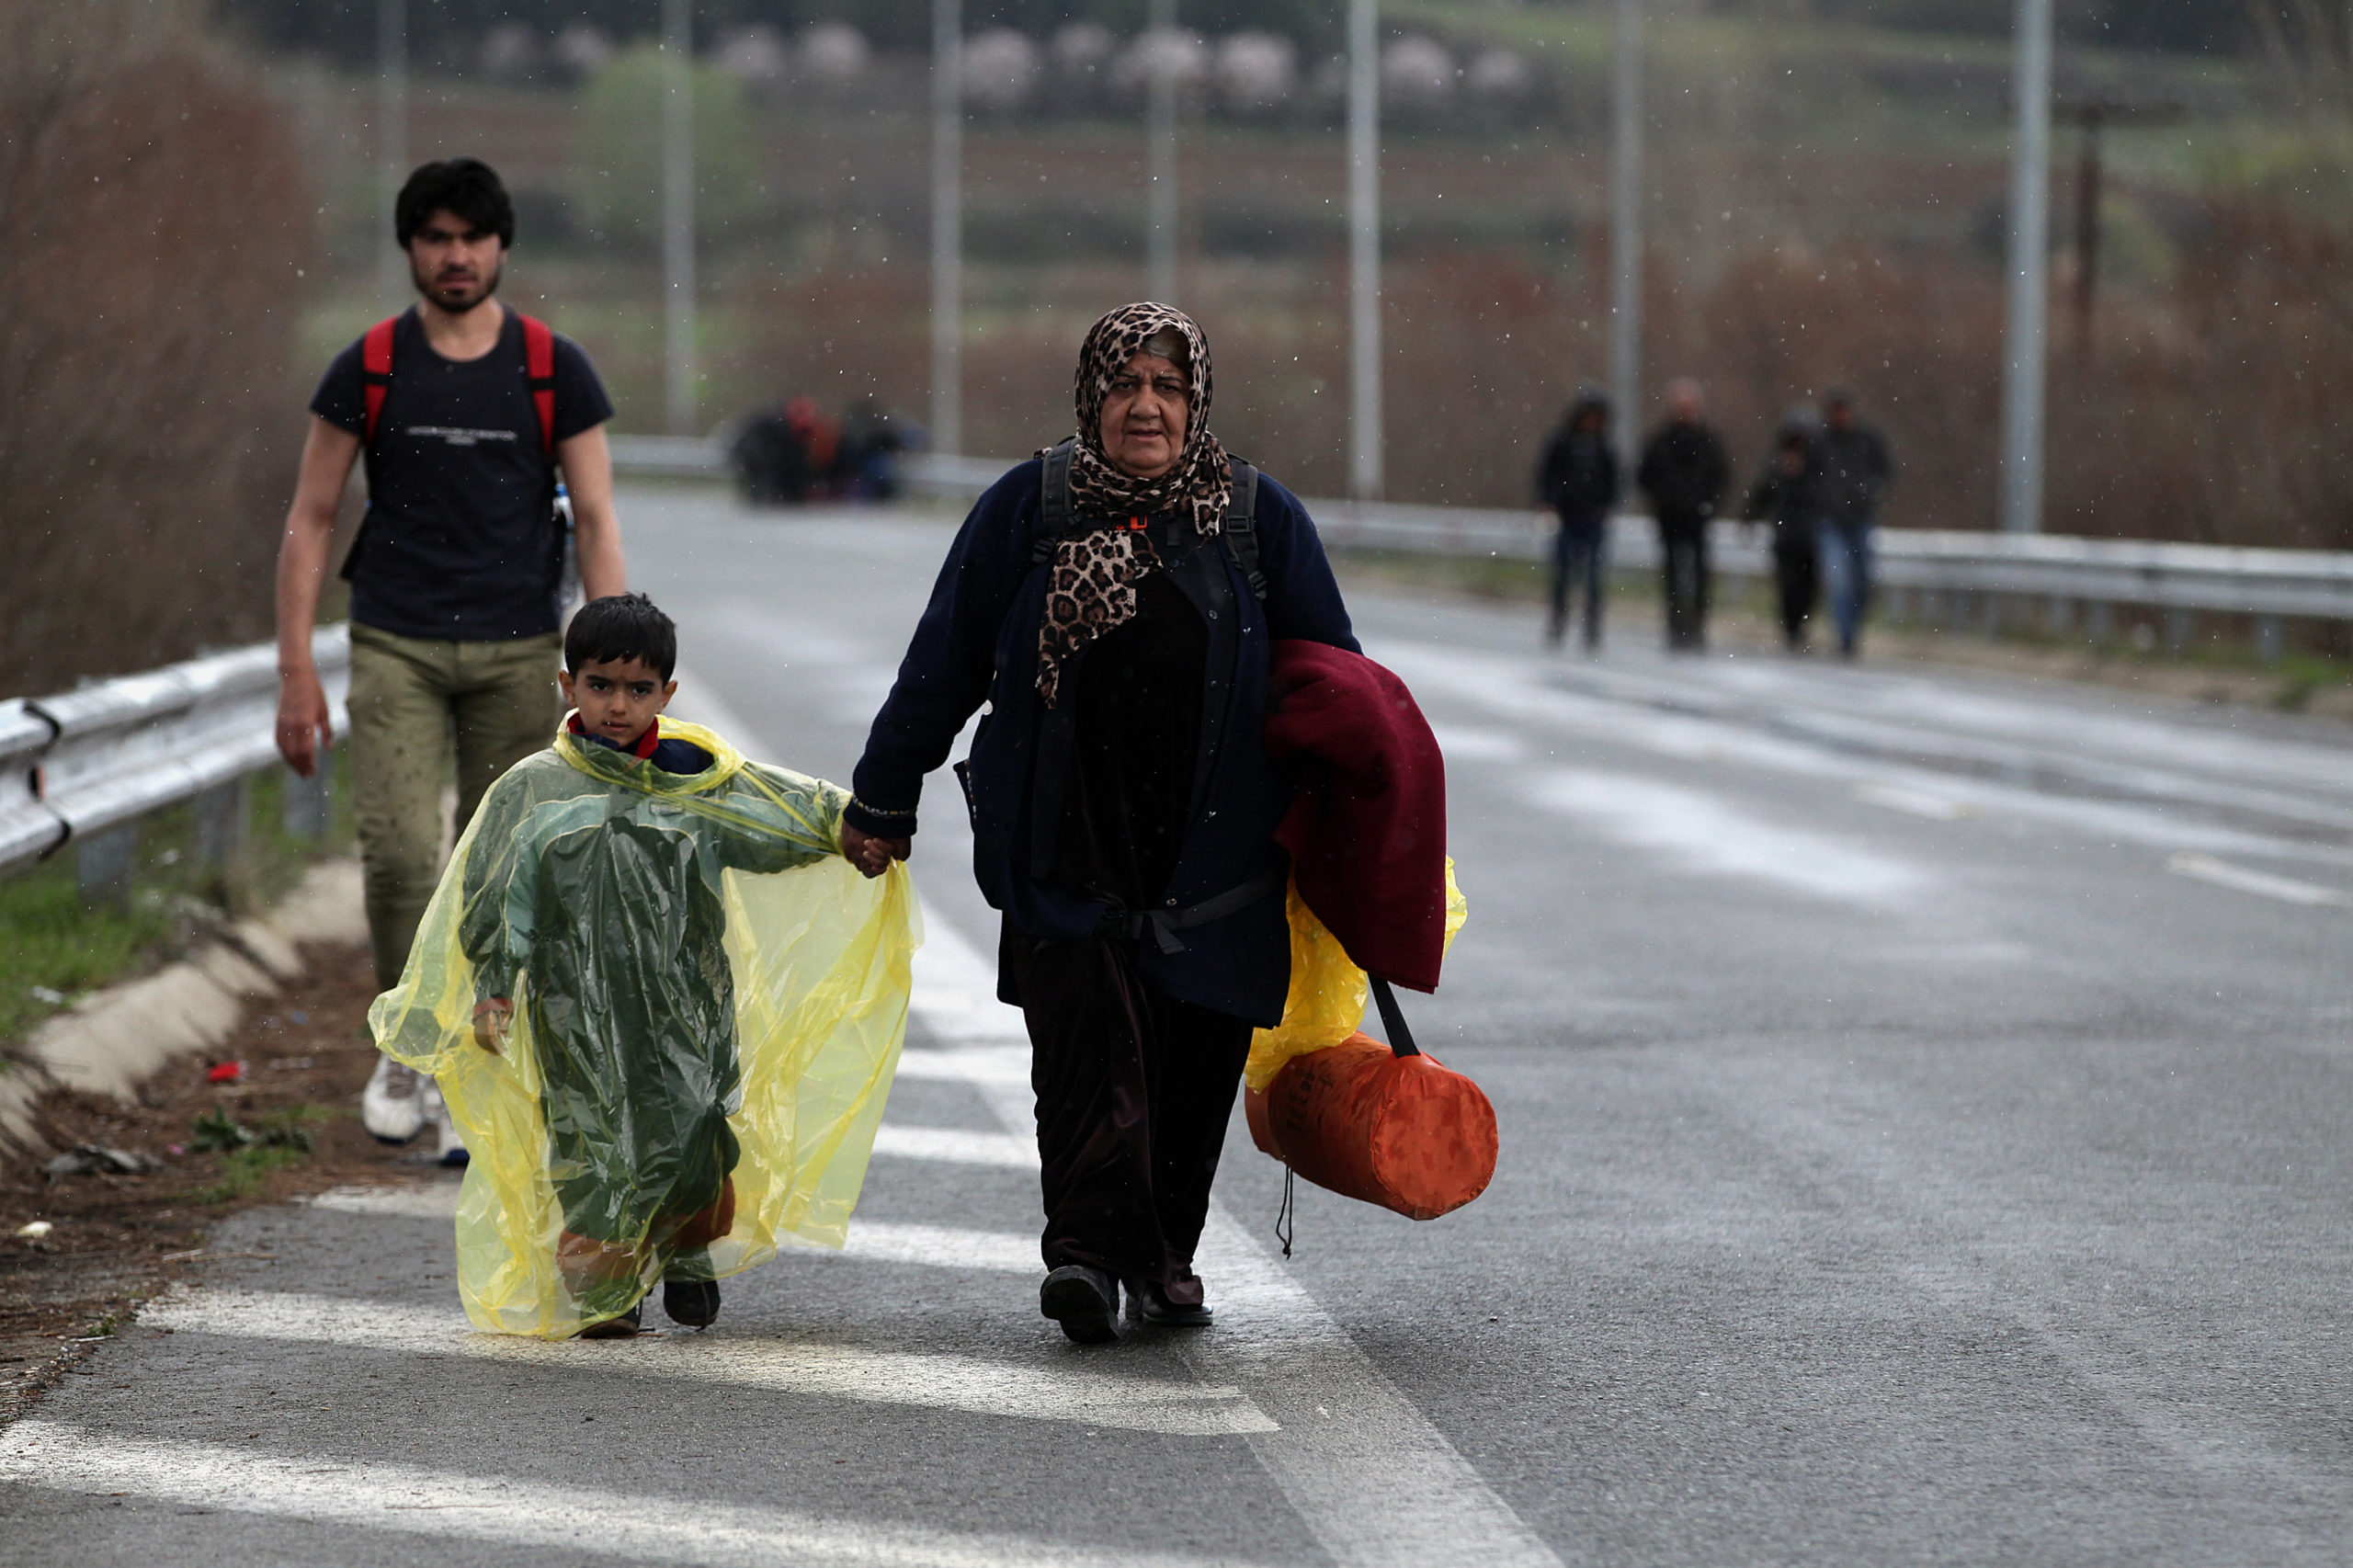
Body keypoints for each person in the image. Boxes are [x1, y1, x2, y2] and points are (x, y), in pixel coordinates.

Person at [836, 302, 1359, 1345]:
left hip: (1217, 856)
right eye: (1126, 385)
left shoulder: (1256, 519)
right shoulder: (1030, 509)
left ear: (1196, 400)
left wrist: (1367, 824)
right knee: (1084, 1061)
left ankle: (1164, 1254)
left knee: (1191, 1066)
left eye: (1167, 386)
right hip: (1064, 842)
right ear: (1092, 394)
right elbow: (943, 660)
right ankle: (1084, 1255)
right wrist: (883, 796)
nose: (1147, 406)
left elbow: (1338, 683)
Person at [369, 594, 918, 1340]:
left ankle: (688, 1251)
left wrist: (853, 827)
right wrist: (495, 985)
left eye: (638, 690)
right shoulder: (534, 790)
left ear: (668, 694)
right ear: (567, 686)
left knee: (694, 1135)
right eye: (599, 685)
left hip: (687, 1004)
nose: (618, 706)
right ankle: (608, 1287)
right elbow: (498, 893)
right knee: (593, 1143)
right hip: (572, 1008)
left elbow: (772, 815)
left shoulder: (699, 782)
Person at [272, 158, 626, 1164]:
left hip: (523, 648)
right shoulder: (371, 365)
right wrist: (296, 670)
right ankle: (407, 1049)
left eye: (473, 236)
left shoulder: (556, 368)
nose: (456, 255)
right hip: (396, 639)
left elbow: (596, 518)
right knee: (394, 854)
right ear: (412, 249)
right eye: (436, 237)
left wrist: (606, 671)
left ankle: (481, 1056)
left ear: (501, 246)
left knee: (501, 871)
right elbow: (308, 518)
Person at [1635, 378, 1731, 653]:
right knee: (1673, 574)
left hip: (1698, 518)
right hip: (1669, 518)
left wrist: (1707, 501)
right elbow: (1645, 475)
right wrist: (1661, 501)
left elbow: (1721, 475)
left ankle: (1697, 626)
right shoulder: (1661, 440)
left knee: (1700, 574)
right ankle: (1675, 626)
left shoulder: (1707, 440)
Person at [1530, 387, 1617, 650]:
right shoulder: (1562, 443)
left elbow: (1613, 481)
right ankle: (1558, 620)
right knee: (1562, 575)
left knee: (1593, 578)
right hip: (1566, 518)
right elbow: (1545, 474)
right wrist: (1548, 503)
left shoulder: (1603, 447)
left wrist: (1605, 507)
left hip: (1593, 520)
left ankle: (1592, 626)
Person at [1811, 385, 1893, 658]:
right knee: (1839, 579)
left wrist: (1871, 493)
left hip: (1860, 519)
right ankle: (1845, 636)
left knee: (1863, 579)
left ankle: (1853, 628)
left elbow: (1884, 471)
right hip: (1830, 521)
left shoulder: (1867, 440)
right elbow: (1809, 478)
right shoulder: (1821, 442)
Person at [1743, 413, 1821, 652]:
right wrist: (1748, 518)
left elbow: (1825, 497)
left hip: (1810, 536)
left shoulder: (1818, 467)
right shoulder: (1778, 466)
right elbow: (1762, 494)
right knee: (1788, 584)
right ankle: (1791, 629)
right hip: (1786, 535)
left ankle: (1800, 626)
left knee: (1808, 586)